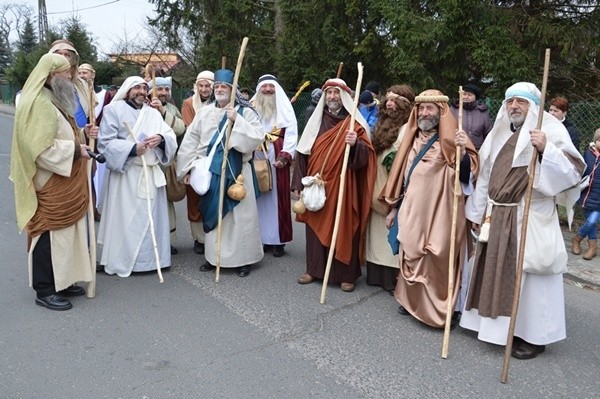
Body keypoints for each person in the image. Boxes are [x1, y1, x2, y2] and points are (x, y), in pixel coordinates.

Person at [460, 82, 585, 359]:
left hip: (530, 215)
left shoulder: (551, 130)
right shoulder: (499, 132)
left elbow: (573, 173)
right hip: (498, 213)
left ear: (534, 106)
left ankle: (534, 336)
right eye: (510, 101)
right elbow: (486, 176)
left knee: (532, 277)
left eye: (521, 101)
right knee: (494, 269)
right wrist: (476, 213)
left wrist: (545, 150)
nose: (514, 106)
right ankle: (494, 328)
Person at [381, 89, 479, 328]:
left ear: (441, 112)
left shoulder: (456, 138)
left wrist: (463, 153)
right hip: (412, 210)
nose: (424, 113)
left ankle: (441, 309)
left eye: (430, 108)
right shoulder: (412, 138)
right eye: (421, 108)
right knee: (410, 249)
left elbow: (469, 174)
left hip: (442, 212)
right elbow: (401, 177)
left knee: (437, 254)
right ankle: (410, 300)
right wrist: (393, 208)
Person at [9, 53, 95, 310]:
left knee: (67, 233)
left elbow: (66, 130)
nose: (70, 76)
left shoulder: (54, 98)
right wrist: (76, 151)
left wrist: (84, 137)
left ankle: (63, 281)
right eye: (66, 72)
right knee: (46, 233)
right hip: (51, 180)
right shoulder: (39, 103)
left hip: (66, 176)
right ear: (51, 75)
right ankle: (45, 289)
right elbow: (39, 148)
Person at [176, 69, 264, 277]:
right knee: (214, 215)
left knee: (239, 218)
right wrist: (188, 168)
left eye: (223, 87)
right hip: (211, 172)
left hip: (238, 173)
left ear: (233, 90)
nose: (219, 90)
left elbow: (257, 138)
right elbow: (190, 141)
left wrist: (238, 121)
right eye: (217, 87)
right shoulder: (205, 113)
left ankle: (243, 260)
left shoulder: (246, 112)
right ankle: (214, 257)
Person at [291, 78, 376, 292]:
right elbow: (302, 153)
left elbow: (367, 157)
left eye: (336, 94)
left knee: (344, 226)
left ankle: (346, 275)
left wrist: (355, 145)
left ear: (344, 97)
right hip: (316, 185)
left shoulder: (354, 124)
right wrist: (297, 183)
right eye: (328, 94)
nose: (332, 97)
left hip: (344, 187)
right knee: (314, 226)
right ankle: (314, 269)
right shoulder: (316, 120)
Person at [97, 76, 177, 277]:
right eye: (137, 88)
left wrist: (160, 139)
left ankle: (151, 260)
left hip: (150, 172)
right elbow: (105, 143)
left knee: (152, 219)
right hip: (127, 175)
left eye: (144, 88)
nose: (141, 91)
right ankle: (123, 259)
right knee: (126, 220)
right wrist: (132, 148)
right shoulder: (113, 110)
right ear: (127, 90)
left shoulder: (153, 113)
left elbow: (170, 135)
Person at [365, 85, 414, 292]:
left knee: (391, 229)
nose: (390, 104)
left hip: (393, 187)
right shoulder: (380, 125)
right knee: (375, 233)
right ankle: (375, 274)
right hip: (375, 183)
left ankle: (392, 278)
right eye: (388, 100)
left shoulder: (408, 129)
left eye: (396, 101)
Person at [253, 74, 298, 257]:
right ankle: (262, 239)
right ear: (259, 90)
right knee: (259, 201)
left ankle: (279, 241)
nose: (268, 90)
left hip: (276, 161)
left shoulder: (284, 108)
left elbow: (292, 133)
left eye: (271, 87)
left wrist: (284, 156)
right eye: (264, 87)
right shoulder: (252, 108)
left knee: (277, 200)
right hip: (256, 159)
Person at [148, 76, 187, 255]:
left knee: (166, 203)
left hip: (165, 164)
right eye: (159, 89)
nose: (163, 93)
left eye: (166, 90)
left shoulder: (171, 108)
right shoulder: (141, 106)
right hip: (146, 162)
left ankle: (167, 241)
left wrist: (163, 111)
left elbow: (180, 129)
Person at [180, 70, 215, 255]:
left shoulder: (220, 103)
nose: (203, 89)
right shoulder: (188, 104)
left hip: (215, 154)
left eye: (207, 85)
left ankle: (212, 236)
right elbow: (191, 130)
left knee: (213, 195)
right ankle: (198, 238)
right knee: (194, 196)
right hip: (195, 154)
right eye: (201, 86)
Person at [48, 40, 92, 130]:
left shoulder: (81, 85)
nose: (63, 58)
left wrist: (84, 133)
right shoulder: (43, 86)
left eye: (67, 55)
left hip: (80, 139)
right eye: (59, 54)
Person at [571, 127, 600, 260]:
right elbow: (581, 170)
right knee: (591, 222)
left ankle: (577, 239)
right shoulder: (588, 154)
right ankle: (592, 248)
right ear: (595, 141)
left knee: (592, 220)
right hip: (588, 195)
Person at [449, 83, 492, 151]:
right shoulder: (453, 110)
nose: (466, 97)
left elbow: (488, 133)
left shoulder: (482, 112)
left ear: (475, 97)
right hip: (456, 149)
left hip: (477, 150)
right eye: (464, 94)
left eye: (469, 95)